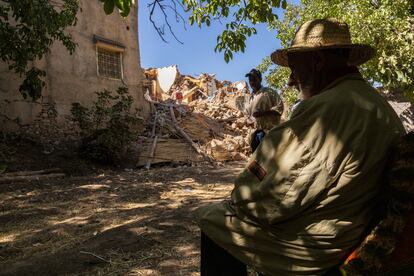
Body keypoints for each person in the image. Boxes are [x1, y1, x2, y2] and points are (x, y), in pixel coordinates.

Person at [196, 18, 406, 275]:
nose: (291, 81)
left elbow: (273, 196)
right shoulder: (370, 101)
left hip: (323, 242)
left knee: (213, 221)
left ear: (317, 62)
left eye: (295, 69)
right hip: (350, 221)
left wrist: (241, 194)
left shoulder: (331, 108)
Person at [244, 68, 284, 152]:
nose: (252, 82)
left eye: (254, 79)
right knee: (257, 160)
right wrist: (248, 121)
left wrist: (263, 113)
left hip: (268, 133)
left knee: (268, 160)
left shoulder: (269, 92)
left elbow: (280, 107)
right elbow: (247, 114)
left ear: (260, 79)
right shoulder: (249, 98)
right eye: (250, 80)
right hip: (254, 134)